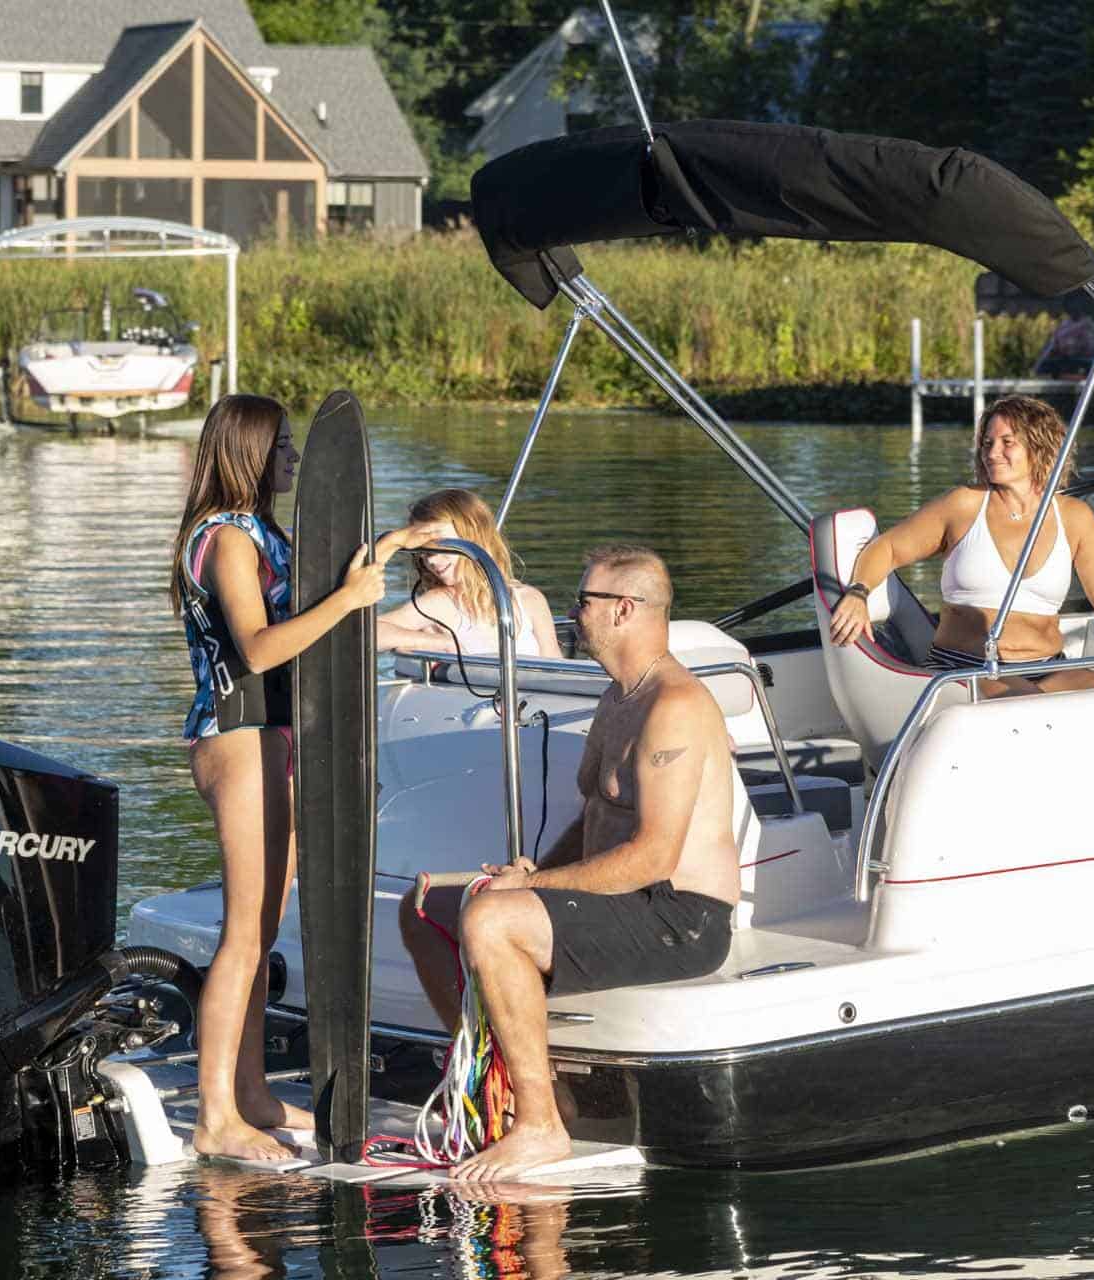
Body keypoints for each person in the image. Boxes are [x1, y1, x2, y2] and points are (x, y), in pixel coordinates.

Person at [399, 545, 739, 1180]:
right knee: (426, 909)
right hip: (627, 900)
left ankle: (541, 1128)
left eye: (584, 601)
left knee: (492, 922)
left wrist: (529, 888)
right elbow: (596, 822)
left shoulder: (674, 707)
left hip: (681, 918)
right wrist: (529, 875)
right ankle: (512, 1090)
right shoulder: (619, 698)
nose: (572, 612)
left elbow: (651, 858)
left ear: (624, 610)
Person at [170, 393, 388, 1162]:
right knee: (241, 933)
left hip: (273, 741)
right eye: (284, 449)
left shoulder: (264, 532)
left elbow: (323, 626)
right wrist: (350, 601)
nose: (295, 462)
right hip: (238, 737)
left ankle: (253, 1095)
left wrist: (395, 590)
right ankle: (213, 1117)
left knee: (262, 935)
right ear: (250, 454)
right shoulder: (228, 538)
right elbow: (261, 649)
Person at [827, 394, 1094, 694]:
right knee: (1028, 707)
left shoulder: (1075, 517)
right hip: (965, 670)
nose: (992, 452)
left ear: (1040, 447)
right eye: (987, 442)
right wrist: (859, 592)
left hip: (1048, 668)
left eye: (1007, 443)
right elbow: (887, 548)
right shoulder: (964, 505)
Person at [374, 488, 562, 661]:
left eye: (442, 545)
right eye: (425, 551)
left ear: (474, 537)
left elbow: (556, 664)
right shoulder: (439, 603)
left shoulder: (529, 599)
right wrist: (436, 642)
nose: (431, 560)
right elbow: (371, 632)